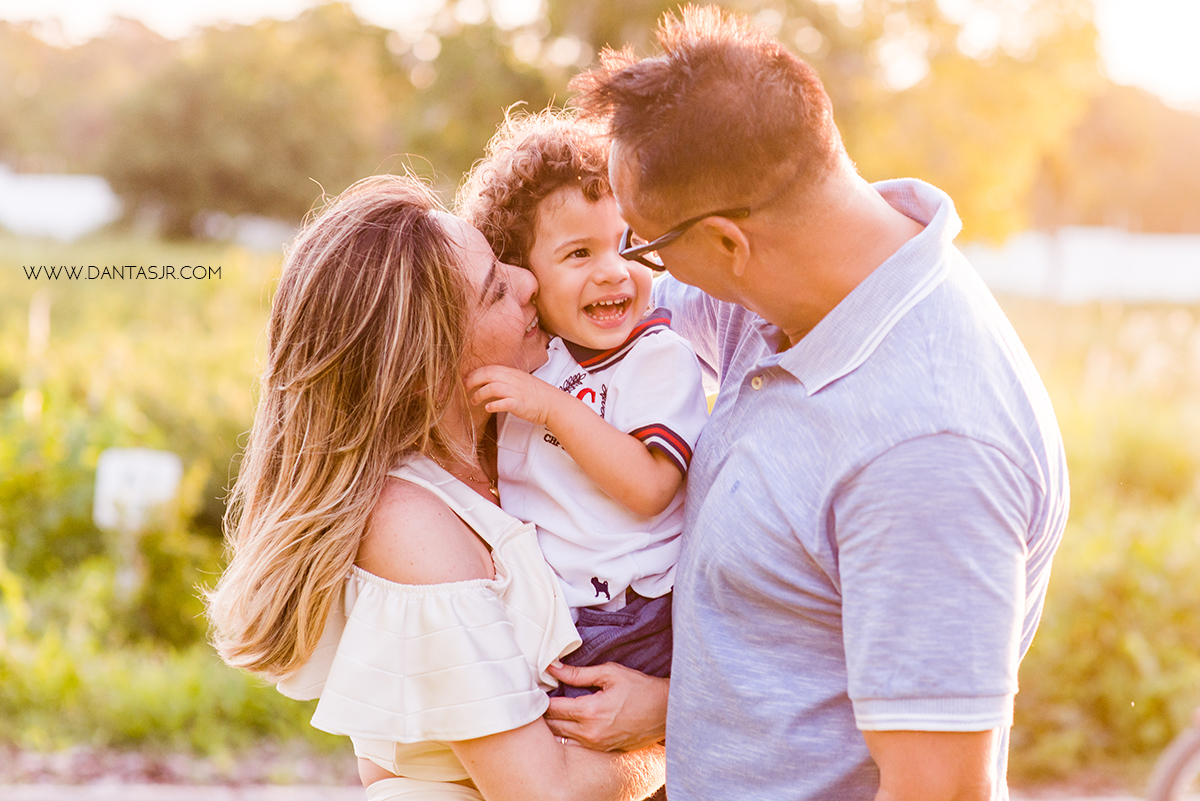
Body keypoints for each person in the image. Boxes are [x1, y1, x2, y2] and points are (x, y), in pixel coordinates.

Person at [564, 6, 1070, 801]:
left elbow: (940, 790)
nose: (641, 272)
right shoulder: (781, 297)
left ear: (730, 243)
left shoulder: (926, 450)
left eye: (648, 245)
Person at [204, 174, 665, 801]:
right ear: (428, 365)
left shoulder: (522, 445)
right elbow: (544, 792)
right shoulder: (411, 526)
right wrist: (673, 728)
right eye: (497, 290)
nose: (529, 281)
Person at [457, 110, 709, 696]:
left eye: (628, 246)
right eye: (580, 254)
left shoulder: (656, 356)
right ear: (522, 274)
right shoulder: (534, 356)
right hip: (552, 606)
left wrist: (551, 408)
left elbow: (650, 490)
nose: (614, 272)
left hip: (628, 615)